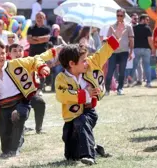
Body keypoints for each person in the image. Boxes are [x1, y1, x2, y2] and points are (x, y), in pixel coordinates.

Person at [0, 39, 53, 157]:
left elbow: (34, 60)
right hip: (3, 107)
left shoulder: (16, 64)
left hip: (21, 102)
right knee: (5, 147)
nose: (0, 56)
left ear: (6, 54)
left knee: (19, 115)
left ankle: (15, 148)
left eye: (2, 53)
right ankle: (16, 142)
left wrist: (41, 67)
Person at [54, 35, 119, 165]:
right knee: (71, 156)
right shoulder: (61, 78)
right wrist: (84, 93)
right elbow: (62, 95)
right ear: (72, 64)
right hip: (70, 117)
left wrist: (114, 38)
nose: (87, 62)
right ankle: (95, 149)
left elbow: (102, 54)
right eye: (83, 60)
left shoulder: (90, 65)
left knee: (81, 121)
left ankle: (89, 155)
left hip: (88, 112)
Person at [8, 43, 47, 133]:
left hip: (27, 95)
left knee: (39, 102)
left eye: (20, 50)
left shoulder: (28, 63)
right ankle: (18, 126)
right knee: (21, 112)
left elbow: (39, 72)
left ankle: (39, 128)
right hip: (12, 97)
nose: (18, 53)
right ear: (9, 54)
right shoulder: (6, 65)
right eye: (14, 51)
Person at [105, 8, 134, 95]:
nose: (119, 17)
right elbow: (108, 40)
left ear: (124, 16)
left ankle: (120, 88)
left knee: (122, 71)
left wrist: (131, 52)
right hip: (113, 52)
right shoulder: (111, 26)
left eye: (121, 15)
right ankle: (107, 90)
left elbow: (131, 40)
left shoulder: (128, 27)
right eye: (118, 15)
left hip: (124, 52)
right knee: (110, 71)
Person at [27, 12, 51, 93]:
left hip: (43, 53)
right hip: (32, 52)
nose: (39, 19)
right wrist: (40, 40)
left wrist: (35, 38)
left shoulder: (47, 29)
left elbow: (47, 39)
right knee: (32, 70)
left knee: (42, 70)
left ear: (44, 19)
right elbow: (29, 40)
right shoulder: (31, 28)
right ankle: (32, 87)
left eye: (41, 17)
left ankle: (40, 88)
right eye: (38, 17)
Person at [132, 14, 155, 88]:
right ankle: (148, 82)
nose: (148, 21)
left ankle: (130, 81)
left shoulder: (134, 28)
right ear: (142, 19)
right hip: (146, 49)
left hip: (136, 49)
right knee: (147, 66)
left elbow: (131, 39)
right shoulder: (147, 28)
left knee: (134, 66)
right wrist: (153, 49)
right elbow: (150, 40)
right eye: (147, 20)